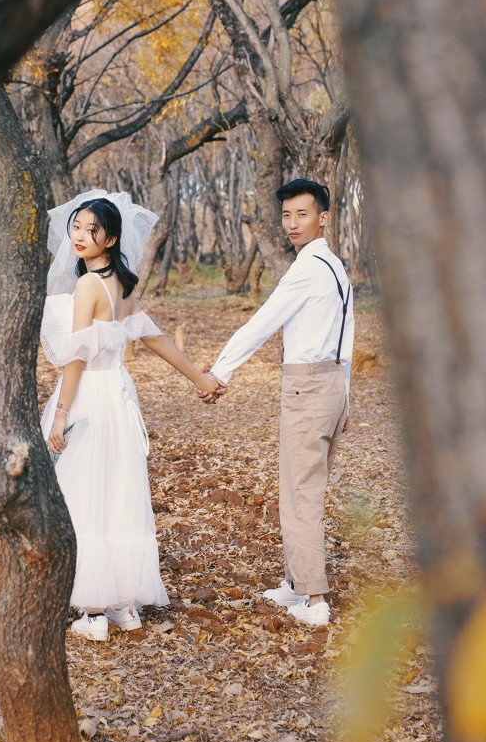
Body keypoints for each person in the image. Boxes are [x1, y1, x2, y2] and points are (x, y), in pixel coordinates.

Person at [41, 190, 225, 641]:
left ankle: (93, 612)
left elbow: (77, 357)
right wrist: (199, 378)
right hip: (118, 396)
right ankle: (124, 606)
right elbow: (154, 337)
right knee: (117, 492)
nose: (80, 236)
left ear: (110, 239)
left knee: (84, 495)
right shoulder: (120, 285)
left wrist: (61, 413)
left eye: (92, 230)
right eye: (77, 227)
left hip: (90, 395)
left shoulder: (88, 285)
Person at [207, 178, 354, 627]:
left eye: (302, 214)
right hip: (331, 385)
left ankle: (315, 599)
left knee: (300, 495)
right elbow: (348, 337)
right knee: (300, 488)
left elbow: (262, 322)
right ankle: (295, 583)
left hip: (308, 387)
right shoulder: (335, 267)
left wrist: (221, 371)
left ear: (323, 218)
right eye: (287, 215)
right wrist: (345, 396)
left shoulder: (308, 268)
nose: (292, 224)